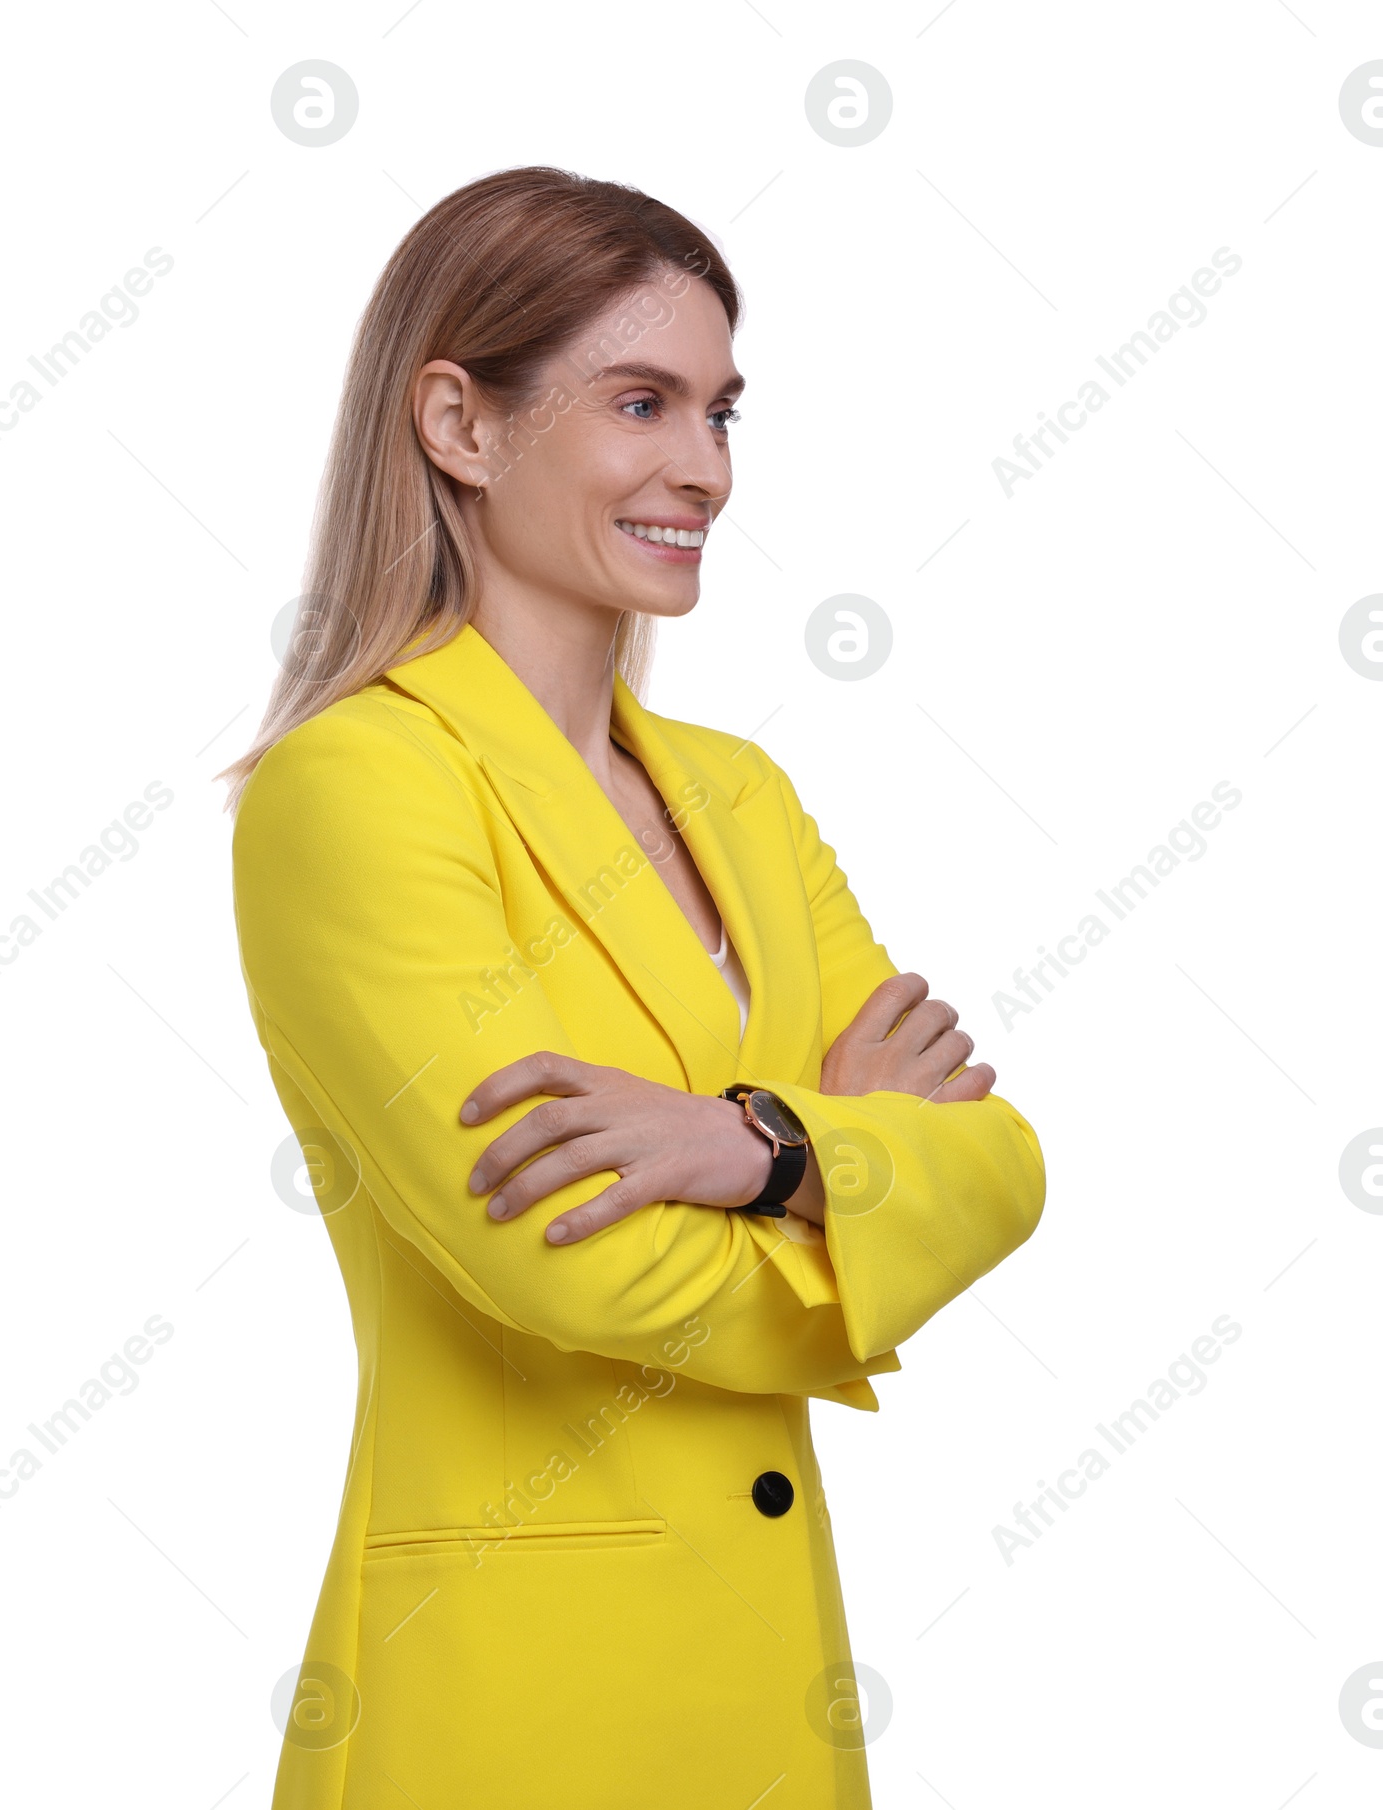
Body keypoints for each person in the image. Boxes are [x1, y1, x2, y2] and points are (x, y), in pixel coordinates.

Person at [221, 165, 1046, 1810]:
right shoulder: (360, 788)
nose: (704, 469)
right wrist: (861, 1182)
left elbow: (1005, 1164)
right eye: (641, 402)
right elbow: (571, 1266)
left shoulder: (738, 793)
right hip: (513, 1697)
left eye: (724, 412)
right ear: (459, 422)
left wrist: (754, 1149)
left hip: (769, 1700)